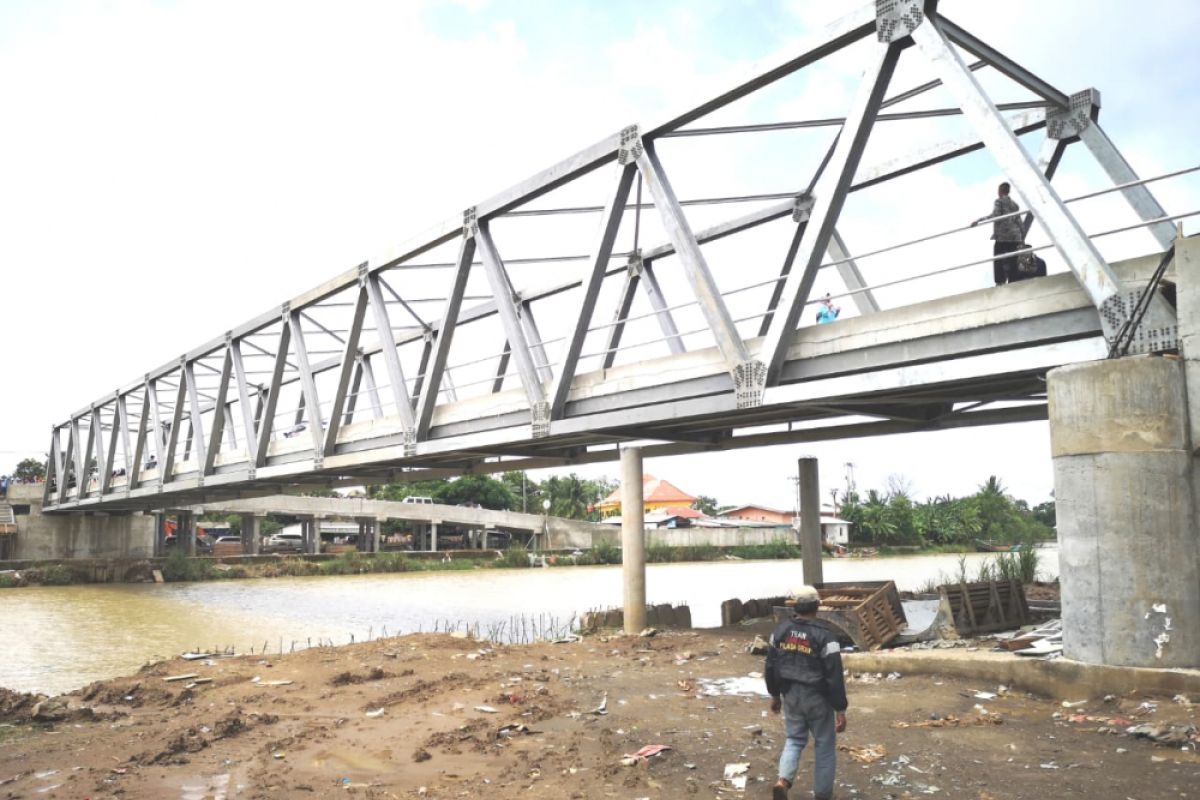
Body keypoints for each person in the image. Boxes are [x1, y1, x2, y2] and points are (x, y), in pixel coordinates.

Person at [766, 585, 848, 800]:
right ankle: (822, 795)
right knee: (824, 746)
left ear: (796, 606)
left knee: (794, 739)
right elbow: (834, 674)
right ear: (817, 606)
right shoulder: (826, 636)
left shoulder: (780, 631)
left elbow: (770, 666)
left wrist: (775, 695)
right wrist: (840, 708)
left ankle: (782, 781)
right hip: (818, 698)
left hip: (790, 694)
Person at [972, 182, 1023, 285]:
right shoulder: (1015, 205)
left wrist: (979, 220)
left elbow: (995, 215)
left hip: (1003, 236)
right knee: (1013, 259)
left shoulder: (998, 201)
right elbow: (1019, 222)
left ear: (1000, 191)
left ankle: (1000, 281)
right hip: (1015, 237)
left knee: (998, 259)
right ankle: (1014, 280)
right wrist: (1022, 236)